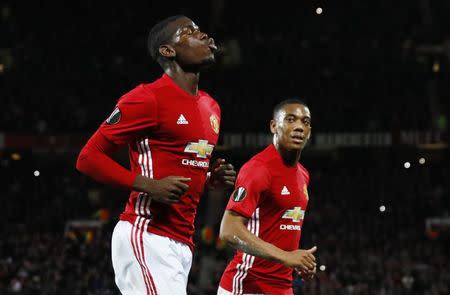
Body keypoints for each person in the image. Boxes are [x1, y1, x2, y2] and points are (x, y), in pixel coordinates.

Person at [76, 15, 236, 295]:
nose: (203, 36)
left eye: (200, 30)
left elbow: (182, 159)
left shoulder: (212, 107)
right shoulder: (147, 98)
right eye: (190, 32)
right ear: (168, 50)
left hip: (182, 243)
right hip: (147, 234)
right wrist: (148, 185)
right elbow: (88, 158)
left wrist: (211, 176)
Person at [217, 99, 316, 295]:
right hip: (247, 286)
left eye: (305, 122)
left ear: (309, 132)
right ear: (273, 126)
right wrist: (286, 257)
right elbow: (228, 230)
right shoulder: (258, 169)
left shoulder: (303, 175)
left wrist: (299, 262)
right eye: (290, 120)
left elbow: (282, 230)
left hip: (283, 288)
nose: (298, 127)